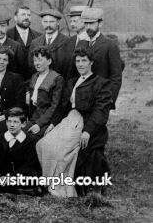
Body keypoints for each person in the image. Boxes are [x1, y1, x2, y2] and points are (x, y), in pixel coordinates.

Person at [36, 48, 111, 197]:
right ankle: (48, 183)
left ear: (91, 62)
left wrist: (88, 131)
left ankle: (60, 186)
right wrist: (52, 124)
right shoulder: (72, 82)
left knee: (61, 150)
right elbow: (62, 107)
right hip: (68, 120)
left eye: (84, 61)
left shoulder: (100, 83)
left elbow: (100, 111)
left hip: (85, 122)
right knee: (43, 144)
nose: (80, 64)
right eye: (78, 61)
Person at [0, 107, 41, 194]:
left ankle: (1, 188)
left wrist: (10, 177)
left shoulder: (30, 141)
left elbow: (29, 165)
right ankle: (21, 191)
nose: (11, 125)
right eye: (9, 121)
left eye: (15, 122)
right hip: (1, 174)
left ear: (23, 124)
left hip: (19, 175)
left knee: (32, 177)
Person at [76, 7, 123, 109]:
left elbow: (116, 77)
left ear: (100, 24)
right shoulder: (81, 44)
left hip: (101, 98)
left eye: (91, 23)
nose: (88, 27)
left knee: (97, 124)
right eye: (86, 23)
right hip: (83, 98)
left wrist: (110, 99)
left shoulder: (110, 45)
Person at [24, 46, 64, 139]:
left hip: (47, 120)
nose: (37, 63)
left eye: (40, 60)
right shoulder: (34, 76)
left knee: (30, 139)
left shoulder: (57, 78)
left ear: (49, 61)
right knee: (18, 136)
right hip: (34, 117)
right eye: (35, 60)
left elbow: (55, 106)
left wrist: (39, 124)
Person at [28, 9, 71, 79]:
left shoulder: (67, 42)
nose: (48, 25)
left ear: (58, 23)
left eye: (51, 22)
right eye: (45, 22)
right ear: (42, 22)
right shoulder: (35, 43)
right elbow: (31, 66)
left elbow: (69, 67)